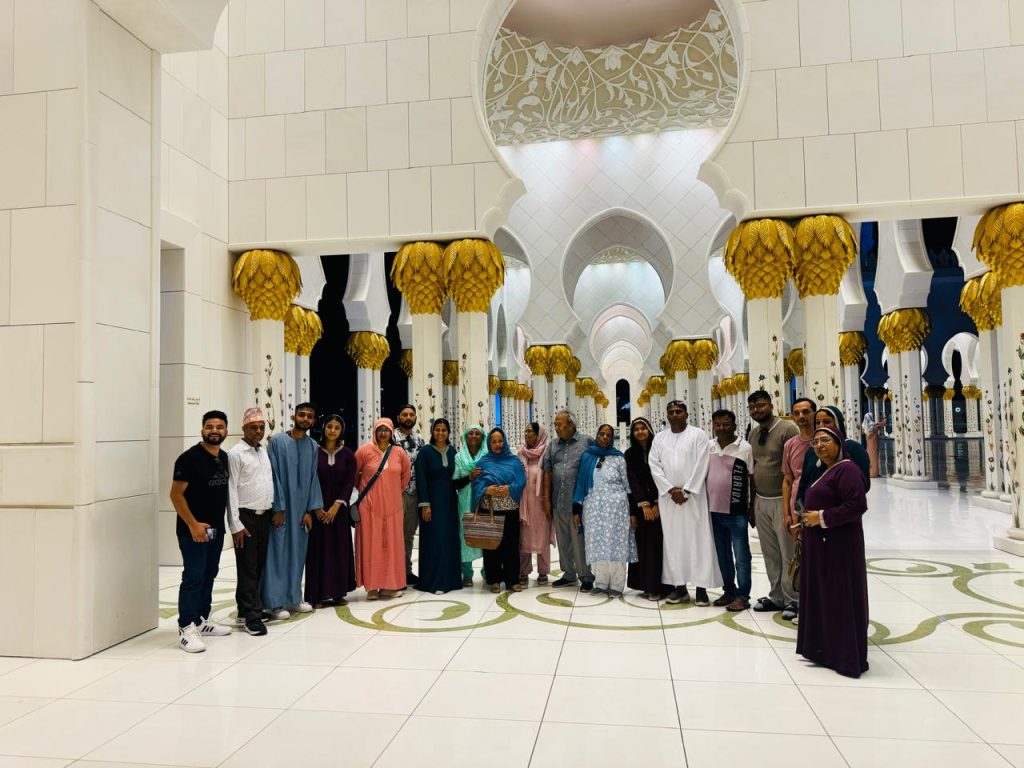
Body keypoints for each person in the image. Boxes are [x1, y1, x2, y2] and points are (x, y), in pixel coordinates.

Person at [796, 426, 870, 678]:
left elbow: (857, 505)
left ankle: (844, 654)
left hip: (839, 545)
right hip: (823, 543)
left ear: (839, 443)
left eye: (825, 440)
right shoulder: (827, 470)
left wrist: (822, 518)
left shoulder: (848, 470)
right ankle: (824, 650)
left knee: (840, 595)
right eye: (815, 442)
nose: (819, 445)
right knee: (825, 595)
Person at [169, 410, 233, 653]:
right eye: (210, 427)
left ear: (226, 431)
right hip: (193, 531)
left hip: (216, 530)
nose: (214, 431)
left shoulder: (224, 457)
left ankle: (201, 620)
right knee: (193, 577)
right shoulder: (188, 459)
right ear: (202, 430)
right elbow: (176, 495)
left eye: (219, 427)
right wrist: (193, 525)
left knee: (209, 574)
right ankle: (186, 627)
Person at [649, 401, 722, 606]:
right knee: (674, 543)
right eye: (671, 412)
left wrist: (687, 490)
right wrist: (670, 490)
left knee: (699, 541)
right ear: (667, 415)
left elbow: (702, 463)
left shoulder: (698, 435)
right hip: (669, 499)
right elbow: (654, 465)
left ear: (686, 414)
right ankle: (679, 588)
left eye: (679, 411)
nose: (675, 415)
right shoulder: (660, 438)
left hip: (694, 498)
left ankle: (701, 589)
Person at [263, 402, 324, 618]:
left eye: (309, 416)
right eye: (301, 414)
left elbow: (313, 478)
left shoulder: (313, 446)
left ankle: (293, 599)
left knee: (297, 554)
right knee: (277, 553)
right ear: (293, 416)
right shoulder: (277, 442)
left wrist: (309, 510)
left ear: (313, 420)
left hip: (301, 511)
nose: (305, 418)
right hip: (281, 509)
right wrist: (278, 508)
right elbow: (272, 475)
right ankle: (274, 603)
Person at [747, 389, 799, 615]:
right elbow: (754, 467)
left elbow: (793, 471)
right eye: (752, 407)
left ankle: (794, 598)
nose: (756, 410)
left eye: (760, 405)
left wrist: (792, 508)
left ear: (771, 405)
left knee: (788, 552)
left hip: (782, 500)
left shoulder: (787, 429)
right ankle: (777, 596)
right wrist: (752, 504)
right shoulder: (754, 433)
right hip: (761, 500)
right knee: (770, 553)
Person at [573, 424, 638, 597]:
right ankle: (601, 582)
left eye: (608, 435)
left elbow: (628, 487)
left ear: (612, 438)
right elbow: (580, 484)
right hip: (593, 510)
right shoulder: (587, 456)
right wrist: (576, 510)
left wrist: (632, 512)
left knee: (615, 544)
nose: (605, 437)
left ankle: (617, 584)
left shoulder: (618, 458)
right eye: (602, 434)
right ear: (597, 435)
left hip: (617, 510)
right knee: (596, 543)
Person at [226, 407, 274, 636]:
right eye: (253, 427)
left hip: (264, 516)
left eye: (261, 427)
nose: (258, 431)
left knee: (257, 566)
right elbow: (231, 490)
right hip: (246, 518)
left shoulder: (262, 451)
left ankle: (246, 609)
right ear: (244, 428)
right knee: (248, 568)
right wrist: (235, 525)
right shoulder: (236, 454)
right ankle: (252, 618)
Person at [355, 418, 411, 599]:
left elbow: (406, 475)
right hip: (369, 507)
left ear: (392, 432)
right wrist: (366, 494)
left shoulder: (398, 452)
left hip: (393, 507)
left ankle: (389, 586)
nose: (383, 433)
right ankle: (371, 587)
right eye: (380, 430)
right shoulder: (364, 451)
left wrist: (393, 492)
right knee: (371, 546)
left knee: (392, 547)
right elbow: (354, 475)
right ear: (374, 431)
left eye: (387, 430)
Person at [305, 414, 356, 608]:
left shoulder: (348, 455)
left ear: (341, 431)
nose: (332, 430)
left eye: (337, 427)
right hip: (317, 510)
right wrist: (316, 507)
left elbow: (349, 482)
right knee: (317, 551)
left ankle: (337, 593)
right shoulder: (313, 452)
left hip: (338, 512)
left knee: (339, 550)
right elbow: (309, 479)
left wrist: (337, 506)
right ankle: (316, 595)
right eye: (329, 426)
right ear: (323, 428)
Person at [543, 410, 595, 591]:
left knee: (579, 540)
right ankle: (569, 574)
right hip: (558, 500)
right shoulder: (553, 445)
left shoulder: (586, 442)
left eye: (559, 424)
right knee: (563, 540)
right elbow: (547, 471)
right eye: (555, 424)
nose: (556, 428)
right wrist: (546, 499)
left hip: (578, 503)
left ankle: (586, 576)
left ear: (571, 424)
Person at [707, 409, 753, 612]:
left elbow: (752, 478)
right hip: (714, 511)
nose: (722, 428)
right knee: (722, 555)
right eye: (717, 424)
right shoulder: (709, 446)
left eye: (726, 424)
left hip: (736, 512)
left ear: (734, 425)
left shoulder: (745, 448)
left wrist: (752, 507)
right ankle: (729, 591)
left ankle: (743, 595)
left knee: (741, 556)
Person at [472, 428, 526, 594]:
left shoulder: (514, 461)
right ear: (489, 443)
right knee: (491, 545)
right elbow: (477, 484)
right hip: (489, 510)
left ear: (505, 442)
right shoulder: (483, 462)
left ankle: (512, 580)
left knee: (511, 545)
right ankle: (493, 579)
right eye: (494, 442)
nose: (497, 444)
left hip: (510, 510)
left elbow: (521, 481)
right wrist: (486, 489)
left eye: (500, 441)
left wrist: (509, 488)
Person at [415, 418, 463, 594]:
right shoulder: (425, 452)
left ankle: (450, 580)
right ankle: (434, 582)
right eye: (437, 430)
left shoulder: (453, 452)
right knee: (434, 540)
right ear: (432, 432)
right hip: (431, 502)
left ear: (448, 433)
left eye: (444, 430)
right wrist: (425, 504)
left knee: (448, 539)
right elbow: (421, 478)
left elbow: (456, 478)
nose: (441, 433)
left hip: (449, 501)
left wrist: (471, 477)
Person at [625, 417, 671, 601]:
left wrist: (657, 503)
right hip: (640, 506)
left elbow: (664, 476)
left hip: (662, 503)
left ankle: (659, 586)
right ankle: (646, 584)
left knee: (658, 545)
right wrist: (643, 504)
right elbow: (632, 481)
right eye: (636, 429)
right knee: (644, 545)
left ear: (650, 430)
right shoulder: (630, 454)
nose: (640, 432)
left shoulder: (660, 450)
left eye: (643, 428)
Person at [779, 397, 816, 622]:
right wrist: (787, 513)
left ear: (814, 413)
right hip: (797, 507)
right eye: (797, 413)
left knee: (819, 557)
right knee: (799, 556)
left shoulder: (824, 441)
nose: (802, 416)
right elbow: (787, 480)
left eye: (806, 412)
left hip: (820, 507)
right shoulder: (790, 445)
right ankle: (799, 601)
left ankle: (817, 604)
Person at [797, 406, 872, 507]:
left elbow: (863, 484)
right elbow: (803, 484)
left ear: (837, 423)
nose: (821, 425)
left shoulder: (853, 448)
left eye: (827, 422)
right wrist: (799, 507)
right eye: (817, 423)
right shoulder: (811, 451)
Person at [393, 404, 425, 585]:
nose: (408, 417)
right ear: (399, 417)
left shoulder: (419, 439)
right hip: (396, 492)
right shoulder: (391, 437)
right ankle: (393, 572)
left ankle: (406, 570)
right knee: (393, 533)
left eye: (411, 415)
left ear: (415, 418)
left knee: (408, 533)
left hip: (414, 492)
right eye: (404, 414)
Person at [518, 422, 554, 586]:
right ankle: (524, 571)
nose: (526, 434)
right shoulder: (521, 453)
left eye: (530, 432)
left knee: (542, 538)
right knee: (524, 538)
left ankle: (543, 571)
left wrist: (548, 500)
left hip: (541, 503)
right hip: (524, 503)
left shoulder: (546, 454)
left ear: (539, 435)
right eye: (525, 431)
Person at [453, 424, 485, 586]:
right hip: (465, 501)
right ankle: (466, 573)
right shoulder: (459, 457)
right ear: (465, 437)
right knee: (465, 535)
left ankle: (488, 571)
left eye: (477, 433)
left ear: (483, 437)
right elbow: (454, 482)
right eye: (470, 433)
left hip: (484, 501)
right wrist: (470, 477)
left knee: (486, 534)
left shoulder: (488, 456)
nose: (473, 436)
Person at [862, 410, 885, 478]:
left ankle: (870, 473)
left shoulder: (865, 426)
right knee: (874, 458)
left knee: (869, 458)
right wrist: (884, 416)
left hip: (869, 446)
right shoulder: (873, 425)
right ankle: (874, 473)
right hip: (874, 444)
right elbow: (883, 423)